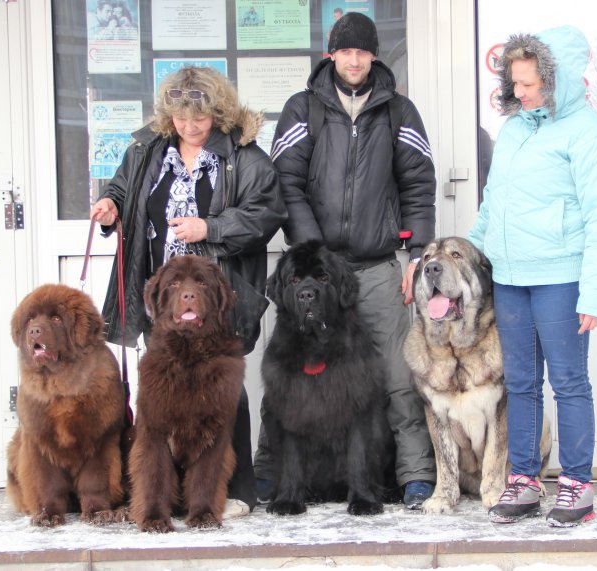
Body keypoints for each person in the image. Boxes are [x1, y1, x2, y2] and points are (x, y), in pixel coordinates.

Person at [257, 12, 437, 509]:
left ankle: (415, 475)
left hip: (379, 267)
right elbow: (284, 183)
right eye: (345, 50)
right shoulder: (303, 109)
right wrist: (314, 254)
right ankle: (272, 478)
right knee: (288, 377)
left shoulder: (399, 111)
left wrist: (418, 252)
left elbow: (419, 185)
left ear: (373, 55)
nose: (354, 59)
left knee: (398, 377)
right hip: (317, 269)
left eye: (363, 51)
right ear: (330, 55)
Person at [90, 66, 287, 514]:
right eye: (180, 117)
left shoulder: (245, 157)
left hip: (219, 295)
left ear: (218, 114)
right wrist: (109, 205)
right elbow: (123, 190)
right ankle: (167, 492)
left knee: (224, 390)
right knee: (164, 396)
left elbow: (267, 214)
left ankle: (236, 490)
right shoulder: (147, 151)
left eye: (199, 118)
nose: (190, 125)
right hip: (162, 296)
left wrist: (210, 226)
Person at [468, 26, 597, 527]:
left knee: (569, 381)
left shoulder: (589, 133)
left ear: (557, 80)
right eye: (514, 82)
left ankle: (577, 483)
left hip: (561, 277)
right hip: (512, 277)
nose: (520, 92)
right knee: (520, 382)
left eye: (531, 83)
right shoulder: (514, 129)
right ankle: (524, 480)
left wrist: (594, 293)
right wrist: (472, 256)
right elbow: (494, 205)